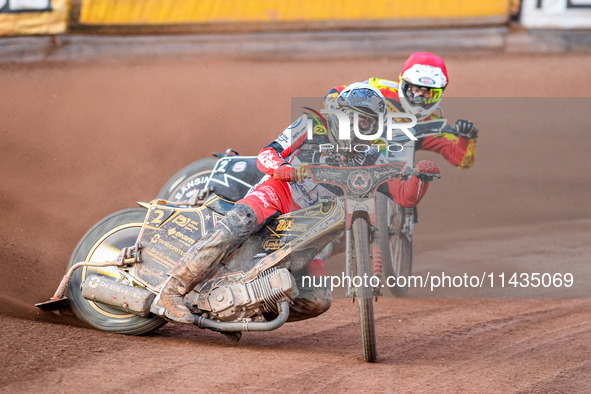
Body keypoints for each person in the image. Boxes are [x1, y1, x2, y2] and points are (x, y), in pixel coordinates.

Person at [159, 83, 441, 324]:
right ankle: (172, 290)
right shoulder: (312, 125)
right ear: (342, 114)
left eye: (368, 123)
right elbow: (267, 154)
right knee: (238, 223)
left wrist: (423, 178)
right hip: (278, 195)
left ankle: (244, 310)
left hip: (308, 226)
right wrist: (282, 167)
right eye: (358, 118)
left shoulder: (371, 156)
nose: (361, 127)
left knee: (318, 300)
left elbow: (404, 196)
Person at [324, 52, 479, 170]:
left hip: (400, 174)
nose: (420, 98)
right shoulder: (380, 89)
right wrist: (338, 116)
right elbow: (336, 92)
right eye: (414, 90)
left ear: (441, 94)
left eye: (428, 93)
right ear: (402, 84)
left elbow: (462, 160)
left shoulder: (433, 125)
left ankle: (407, 213)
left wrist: (468, 137)